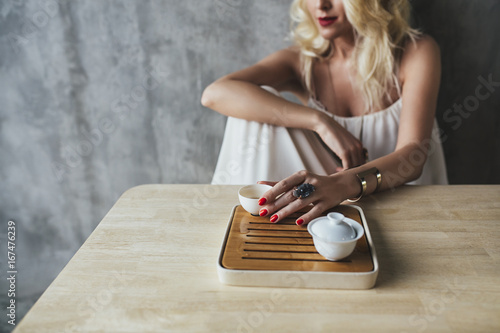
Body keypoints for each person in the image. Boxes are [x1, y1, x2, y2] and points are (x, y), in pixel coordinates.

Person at [201, 0, 448, 226]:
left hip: (401, 197)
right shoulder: (302, 61)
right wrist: (319, 121)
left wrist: (343, 184)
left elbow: (413, 156)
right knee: (251, 113)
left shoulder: (416, 51)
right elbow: (215, 93)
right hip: (330, 197)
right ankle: (248, 226)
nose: (321, 5)